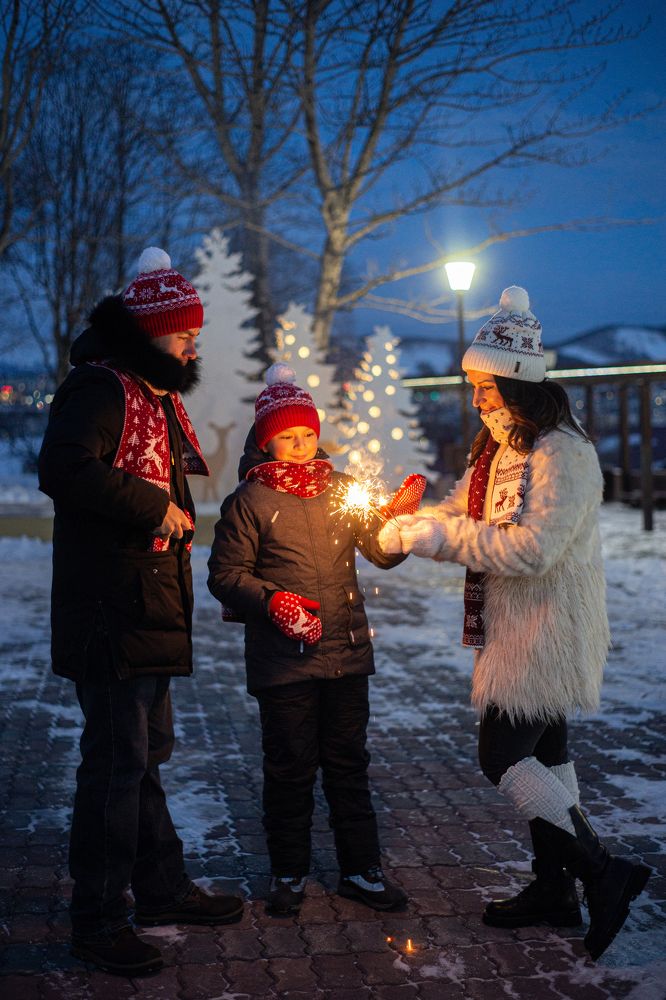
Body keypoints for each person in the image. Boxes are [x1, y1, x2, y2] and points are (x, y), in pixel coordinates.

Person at [377, 286, 651, 961]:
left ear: (517, 383)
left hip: (546, 628)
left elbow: (533, 550)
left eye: (485, 388)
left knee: (500, 755)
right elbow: (463, 513)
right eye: (473, 387)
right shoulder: (499, 448)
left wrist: (438, 539)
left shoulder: (563, 453)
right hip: (513, 623)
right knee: (549, 755)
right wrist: (412, 524)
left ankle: (603, 872)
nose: (476, 400)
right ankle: (555, 889)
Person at [38, 247, 244, 977]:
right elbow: (64, 467)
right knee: (115, 766)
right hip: (111, 610)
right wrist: (152, 506)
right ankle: (97, 921)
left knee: (145, 757)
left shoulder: (150, 394)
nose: (194, 347)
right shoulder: (101, 387)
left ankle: (160, 888)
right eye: (184, 334)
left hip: (148, 605)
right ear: (151, 333)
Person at [207, 363, 425, 916]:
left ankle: (361, 869)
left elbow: (379, 551)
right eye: (288, 436)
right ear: (266, 441)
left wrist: (394, 524)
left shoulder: (342, 489)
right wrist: (273, 601)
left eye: (308, 433)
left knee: (349, 764)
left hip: (345, 655)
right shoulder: (250, 501)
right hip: (284, 663)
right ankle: (288, 871)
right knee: (290, 768)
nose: (302, 445)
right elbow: (225, 575)